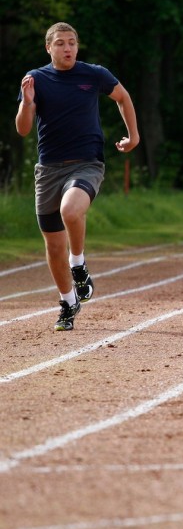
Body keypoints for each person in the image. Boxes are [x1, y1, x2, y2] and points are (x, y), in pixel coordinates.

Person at [15, 22, 139, 331]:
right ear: (49, 48)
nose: (67, 48)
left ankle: (78, 263)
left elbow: (122, 97)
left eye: (72, 42)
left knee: (70, 210)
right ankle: (68, 302)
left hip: (87, 164)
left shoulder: (93, 74)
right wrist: (27, 103)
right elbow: (23, 129)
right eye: (60, 43)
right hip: (48, 170)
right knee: (54, 245)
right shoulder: (36, 79)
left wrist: (133, 135)